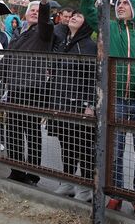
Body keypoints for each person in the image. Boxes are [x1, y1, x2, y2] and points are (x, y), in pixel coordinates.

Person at [81, 0, 135, 218]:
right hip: (115, 101)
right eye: (118, 3)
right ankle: (116, 195)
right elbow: (87, 10)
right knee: (115, 153)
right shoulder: (107, 27)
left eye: (125, 3)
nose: (120, 6)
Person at [0, 0, 55, 186]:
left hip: (34, 89)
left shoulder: (43, 33)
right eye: (31, 10)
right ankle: (16, 171)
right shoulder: (19, 34)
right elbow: (6, 60)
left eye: (37, 11)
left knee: (32, 131)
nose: (35, 13)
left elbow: (45, 21)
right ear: (25, 15)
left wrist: (43, 2)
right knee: (14, 131)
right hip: (15, 88)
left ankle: (33, 172)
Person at [49, 10, 97, 202]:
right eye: (73, 15)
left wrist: (90, 104)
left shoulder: (89, 46)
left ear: (86, 24)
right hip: (61, 101)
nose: (74, 17)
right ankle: (67, 181)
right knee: (66, 144)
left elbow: (93, 77)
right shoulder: (63, 42)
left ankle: (86, 188)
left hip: (80, 104)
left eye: (79, 15)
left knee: (83, 146)